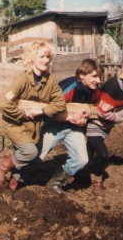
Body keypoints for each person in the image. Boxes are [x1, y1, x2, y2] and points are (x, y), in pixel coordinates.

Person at [0, 41, 66, 190]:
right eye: (42, 56)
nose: (46, 60)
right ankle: (2, 165)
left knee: (26, 156)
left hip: (34, 127)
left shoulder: (50, 81)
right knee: (30, 152)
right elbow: (2, 103)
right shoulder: (22, 79)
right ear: (32, 58)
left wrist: (41, 111)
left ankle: (13, 185)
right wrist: (23, 113)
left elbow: (60, 104)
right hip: (14, 124)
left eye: (48, 57)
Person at [37, 58, 103, 194]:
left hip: (74, 127)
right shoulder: (69, 87)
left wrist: (84, 121)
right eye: (94, 76)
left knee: (81, 159)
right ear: (82, 75)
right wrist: (69, 118)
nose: (98, 80)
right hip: (54, 124)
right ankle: (14, 174)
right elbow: (48, 110)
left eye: (100, 77)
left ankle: (54, 183)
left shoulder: (96, 91)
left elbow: (93, 111)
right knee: (36, 156)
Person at [86, 59, 123, 195]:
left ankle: (80, 172)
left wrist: (120, 113)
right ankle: (97, 181)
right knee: (102, 153)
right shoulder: (112, 86)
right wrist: (120, 116)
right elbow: (102, 112)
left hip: (107, 125)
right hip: (94, 122)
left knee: (88, 153)